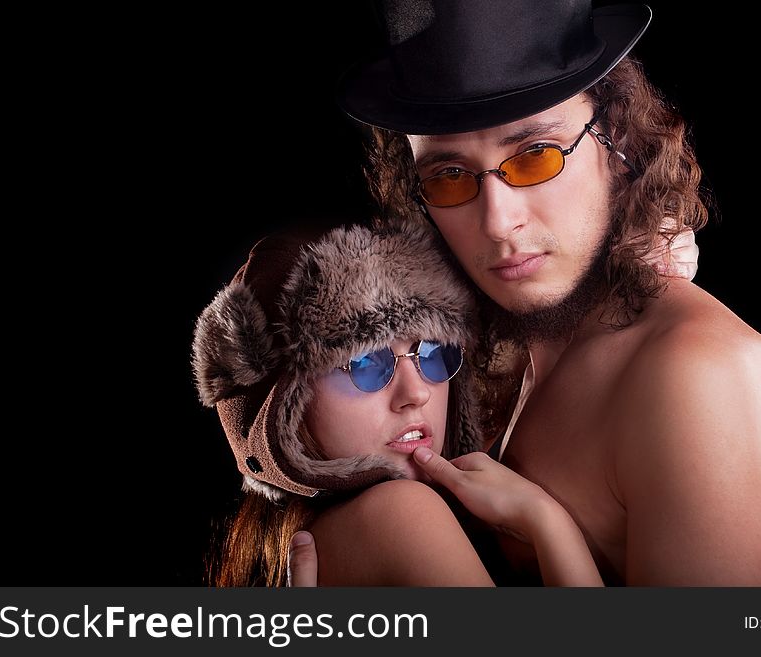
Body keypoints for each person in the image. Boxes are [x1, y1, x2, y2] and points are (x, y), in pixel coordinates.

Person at [288, 0, 761, 585]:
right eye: (449, 176)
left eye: (535, 157)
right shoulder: (478, 352)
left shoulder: (699, 375)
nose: (496, 221)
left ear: (616, 141)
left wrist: (547, 525)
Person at [192, 221, 605, 586]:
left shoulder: (286, 543)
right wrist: (549, 524)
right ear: (283, 408)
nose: (417, 393)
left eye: (431, 352)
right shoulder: (400, 514)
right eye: (365, 363)